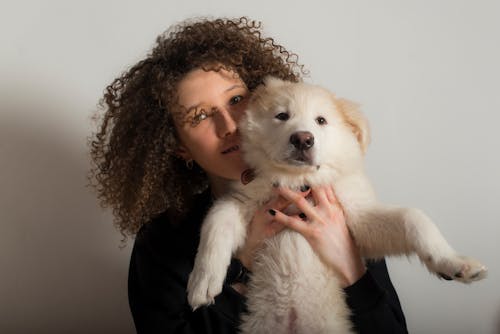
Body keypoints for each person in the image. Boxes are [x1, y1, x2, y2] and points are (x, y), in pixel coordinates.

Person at [89, 17, 408, 333]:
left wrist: (351, 267)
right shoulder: (161, 244)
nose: (229, 125)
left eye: (236, 100)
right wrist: (241, 264)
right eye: (200, 116)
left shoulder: (333, 205)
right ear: (178, 146)